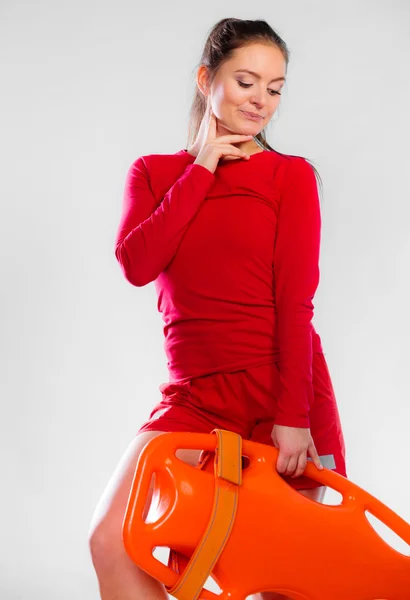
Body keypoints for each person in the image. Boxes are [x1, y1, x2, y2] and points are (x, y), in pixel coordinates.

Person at [88, 17, 347, 600]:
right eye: (246, 82)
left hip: (281, 392)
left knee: (277, 579)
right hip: (194, 397)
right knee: (111, 542)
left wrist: (293, 416)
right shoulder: (155, 173)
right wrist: (202, 167)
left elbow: (295, 303)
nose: (261, 101)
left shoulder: (290, 176)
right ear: (207, 80)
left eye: (275, 89)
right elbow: (137, 263)